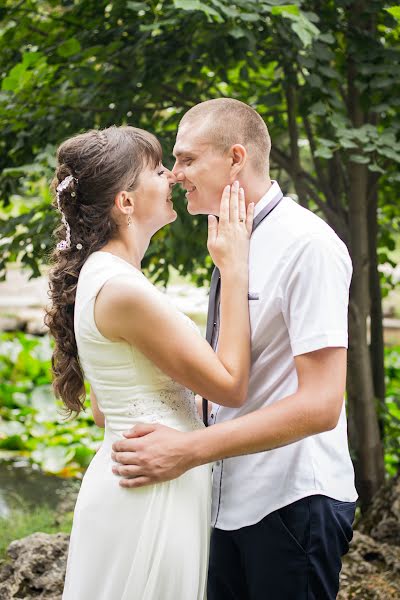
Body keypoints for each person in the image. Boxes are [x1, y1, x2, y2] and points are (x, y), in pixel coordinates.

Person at [111, 99, 358, 600]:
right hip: (224, 502)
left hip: (291, 503)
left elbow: (322, 404)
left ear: (236, 158)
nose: (176, 175)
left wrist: (186, 451)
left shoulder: (308, 245)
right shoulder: (229, 238)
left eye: (186, 159)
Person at [44, 125, 254, 600]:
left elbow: (105, 408)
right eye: (159, 170)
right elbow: (231, 384)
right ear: (126, 202)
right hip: (151, 489)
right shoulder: (122, 289)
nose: (173, 178)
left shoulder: (103, 276)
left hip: (138, 475)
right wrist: (234, 269)